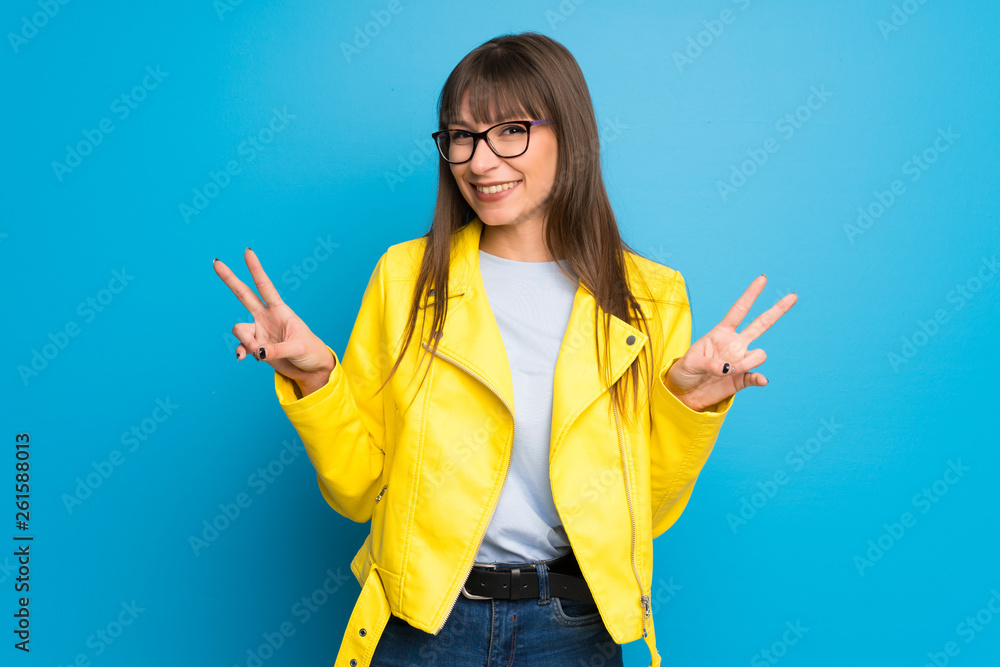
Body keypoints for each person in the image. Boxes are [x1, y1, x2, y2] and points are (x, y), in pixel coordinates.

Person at [213, 31, 795, 667]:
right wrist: (317, 378)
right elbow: (357, 491)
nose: (480, 162)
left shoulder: (649, 299)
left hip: (571, 627)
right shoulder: (405, 281)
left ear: (570, 134)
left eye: (510, 131)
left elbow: (641, 514)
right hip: (424, 623)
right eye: (461, 136)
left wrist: (689, 402)